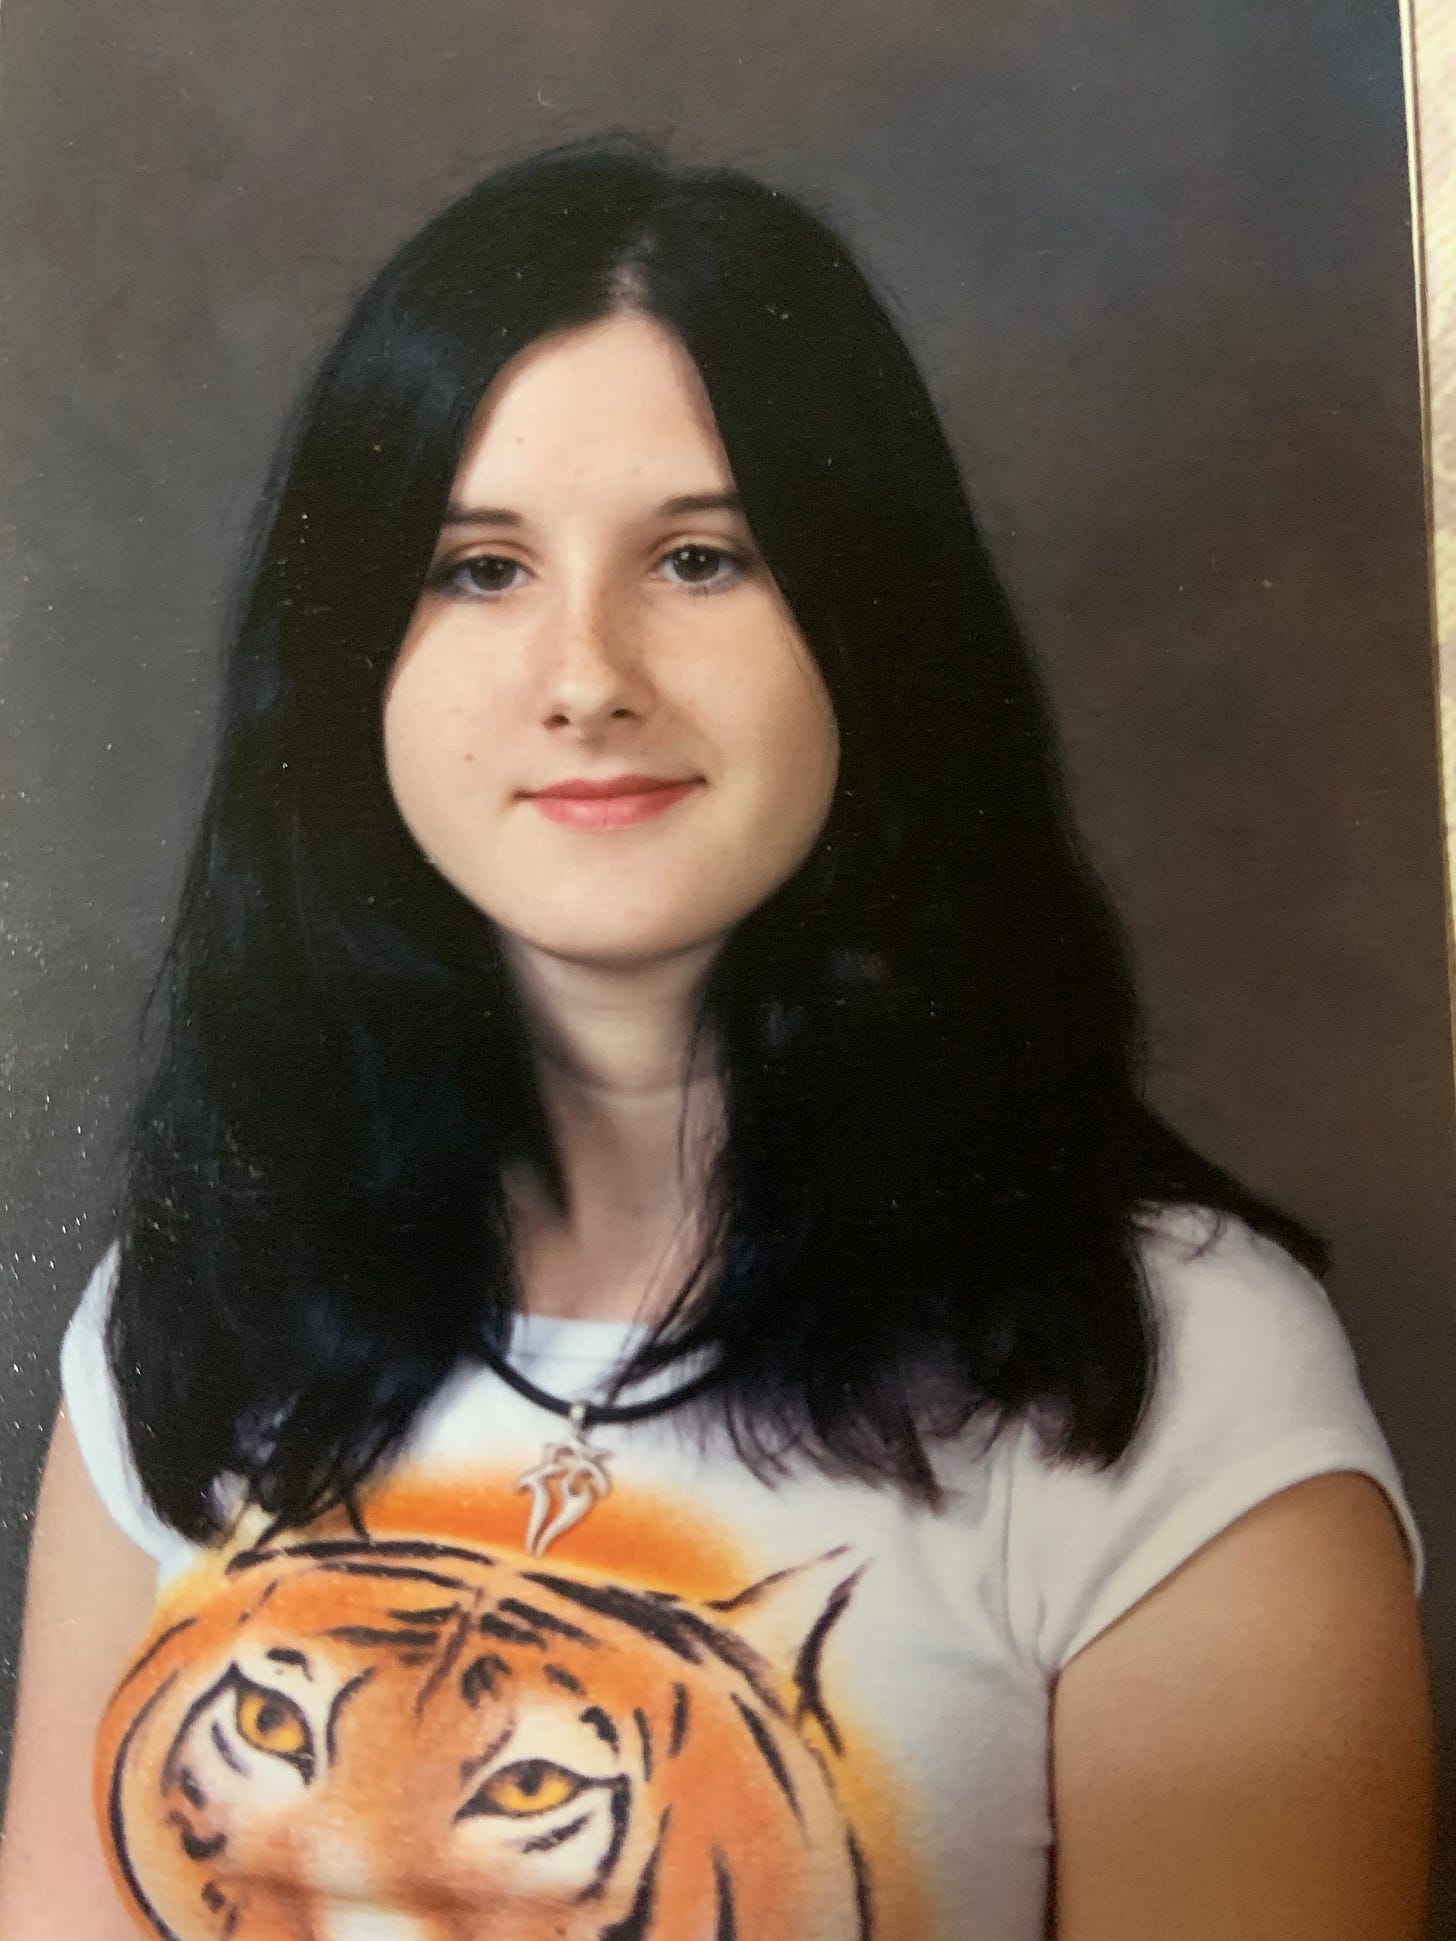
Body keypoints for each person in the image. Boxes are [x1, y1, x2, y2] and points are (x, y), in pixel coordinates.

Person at [0, 134, 1431, 1940]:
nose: (586, 674)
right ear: (354, 660)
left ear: (870, 633)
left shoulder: (1171, 1379)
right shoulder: (190, 1306)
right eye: (477, 568)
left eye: (700, 555)